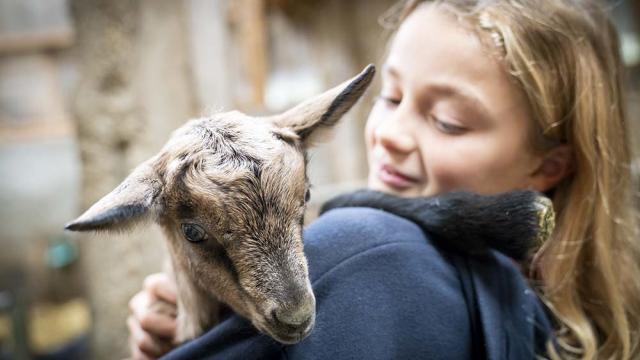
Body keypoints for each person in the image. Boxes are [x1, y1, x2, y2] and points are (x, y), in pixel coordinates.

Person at [127, 0, 640, 359]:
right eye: (390, 98)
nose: (391, 134)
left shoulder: (366, 254)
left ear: (548, 168)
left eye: (448, 122)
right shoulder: (590, 309)